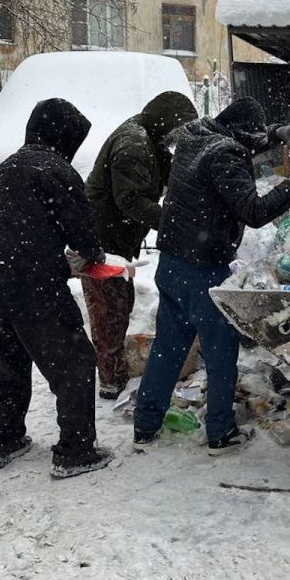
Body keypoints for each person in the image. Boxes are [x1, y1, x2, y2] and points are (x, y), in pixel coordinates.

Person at [132, 97, 290, 455]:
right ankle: (221, 433)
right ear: (240, 135)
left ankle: (145, 424)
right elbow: (254, 211)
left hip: (172, 262)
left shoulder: (197, 137)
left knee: (168, 348)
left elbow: (242, 136)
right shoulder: (225, 154)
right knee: (220, 354)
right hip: (203, 268)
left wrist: (277, 132)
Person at [0, 98, 115, 479]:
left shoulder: (0, 172)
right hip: (32, 286)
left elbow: (6, 231)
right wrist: (92, 256)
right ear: (63, 136)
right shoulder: (56, 171)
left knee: (10, 364)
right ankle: (75, 452)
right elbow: (82, 234)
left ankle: (2, 440)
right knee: (75, 362)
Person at [84, 91, 198, 398]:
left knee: (119, 304)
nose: (176, 140)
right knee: (109, 312)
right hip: (101, 242)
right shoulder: (134, 144)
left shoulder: (150, 138)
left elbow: (172, 173)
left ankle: (112, 368)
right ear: (166, 123)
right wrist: (175, 223)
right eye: (177, 132)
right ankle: (110, 380)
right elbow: (131, 200)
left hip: (113, 240)